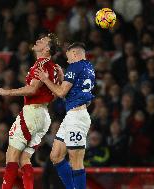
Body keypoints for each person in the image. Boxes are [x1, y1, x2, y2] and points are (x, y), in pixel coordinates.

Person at [0, 33, 60, 189]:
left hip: (32, 112)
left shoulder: (41, 64)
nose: (38, 40)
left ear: (47, 49)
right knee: (24, 158)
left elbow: (33, 89)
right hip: (43, 115)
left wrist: (6, 92)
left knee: (11, 156)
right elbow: (54, 94)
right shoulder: (54, 67)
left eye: (43, 41)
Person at [35, 42, 95, 189]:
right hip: (71, 116)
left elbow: (61, 92)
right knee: (55, 156)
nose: (67, 61)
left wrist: (45, 79)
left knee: (76, 161)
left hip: (77, 117)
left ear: (75, 53)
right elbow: (71, 93)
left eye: (68, 57)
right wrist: (63, 78)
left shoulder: (75, 66)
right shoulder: (89, 67)